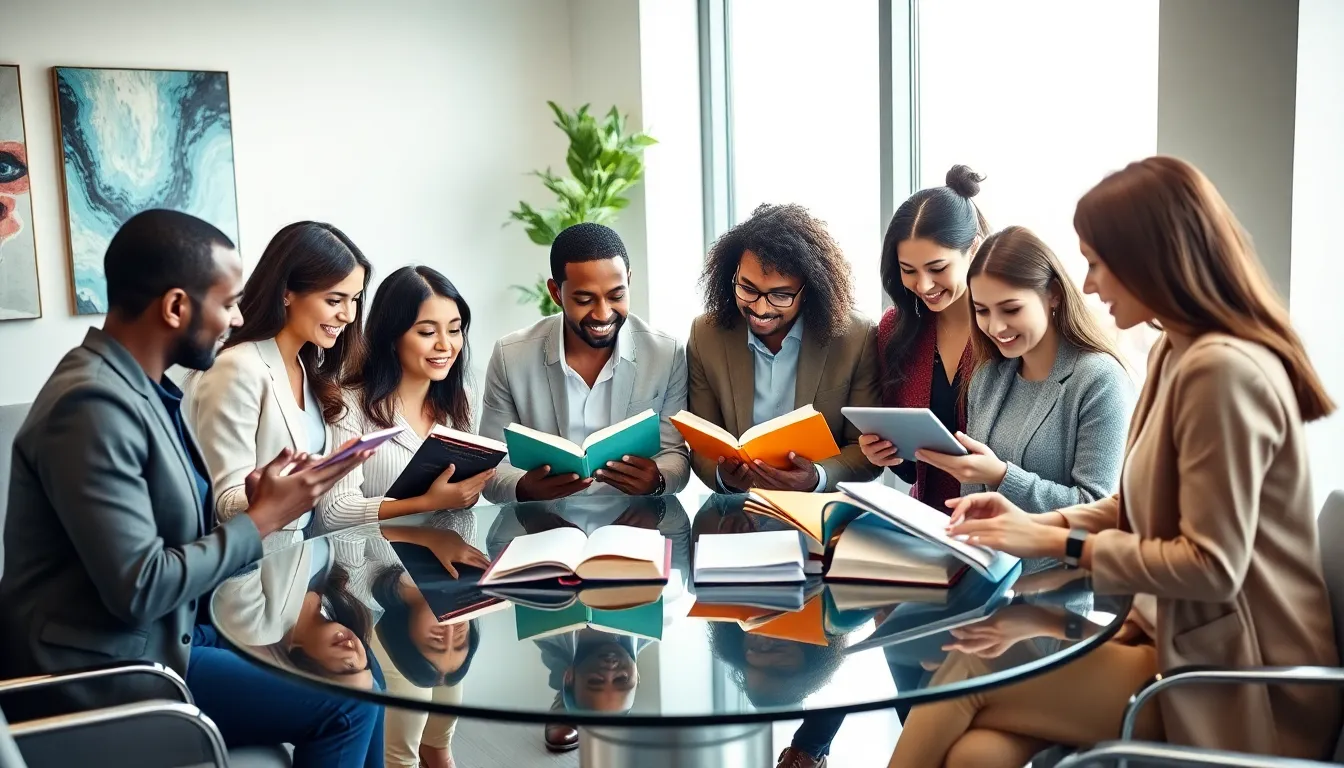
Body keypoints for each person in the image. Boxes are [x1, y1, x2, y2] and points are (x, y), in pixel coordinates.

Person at [888, 156, 1342, 767]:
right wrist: (1041, 526)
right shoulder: (1178, 356)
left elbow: (1212, 567)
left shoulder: (1221, 372)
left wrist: (1061, 546)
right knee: (979, 754)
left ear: (1151, 258)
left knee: (972, 658)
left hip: (1238, 681)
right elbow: (1137, 509)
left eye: (1098, 263)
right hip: (1165, 641)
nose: (1091, 283)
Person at [0, 210, 380, 767]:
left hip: (170, 634)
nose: (236, 319)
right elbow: (142, 587)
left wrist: (260, 499)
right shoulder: (91, 407)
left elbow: (168, 537)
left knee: (365, 682)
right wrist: (262, 519)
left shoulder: (144, 391)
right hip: (108, 671)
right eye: (227, 303)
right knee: (348, 706)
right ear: (177, 306)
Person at [911, 225, 1133, 511]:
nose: (995, 327)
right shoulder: (987, 378)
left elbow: (1096, 508)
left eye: (1011, 309)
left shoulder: (1099, 380)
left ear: (1053, 293)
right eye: (982, 311)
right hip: (985, 553)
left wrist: (1001, 476)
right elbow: (971, 498)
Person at [185, 221, 371, 549]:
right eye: (334, 300)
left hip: (303, 562)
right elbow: (223, 501)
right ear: (286, 293)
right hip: (252, 564)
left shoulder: (304, 366)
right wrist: (302, 486)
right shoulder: (237, 367)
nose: (348, 315)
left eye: (354, 300)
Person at [479, 222, 690, 503]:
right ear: (556, 293)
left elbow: (675, 454)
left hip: (635, 525)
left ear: (629, 280)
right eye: (584, 299)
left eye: (616, 296)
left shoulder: (666, 353)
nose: (603, 314)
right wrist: (522, 488)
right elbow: (491, 464)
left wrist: (657, 480)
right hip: (544, 527)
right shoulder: (510, 357)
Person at [686, 202, 880, 493]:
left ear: (810, 290)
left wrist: (817, 477)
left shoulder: (855, 338)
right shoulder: (706, 336)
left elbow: (867, 450)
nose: (760, 309)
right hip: (741, 515)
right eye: (748, 288)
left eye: (780, 295)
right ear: (732, 274)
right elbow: (701, 446)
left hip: (821, 516)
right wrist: (724, 477)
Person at [318, 265, 494, 531]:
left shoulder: (460, 400)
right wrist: (425, 503)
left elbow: (461, 499)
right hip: (373, 568)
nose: (445, 346)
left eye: (455, 330)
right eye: (427, 332)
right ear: (391, 337)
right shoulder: (348, 403)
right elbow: (335, 511)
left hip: (444, 561)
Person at [860, 165, 990, 513]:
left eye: (937, 268)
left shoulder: (1004, 331)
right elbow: (911, 471)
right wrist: (886, 454)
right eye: (909, 271)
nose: (924, 285)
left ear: (973, 250)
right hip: (929, 524)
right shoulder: (896, 331)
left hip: (998, 526)